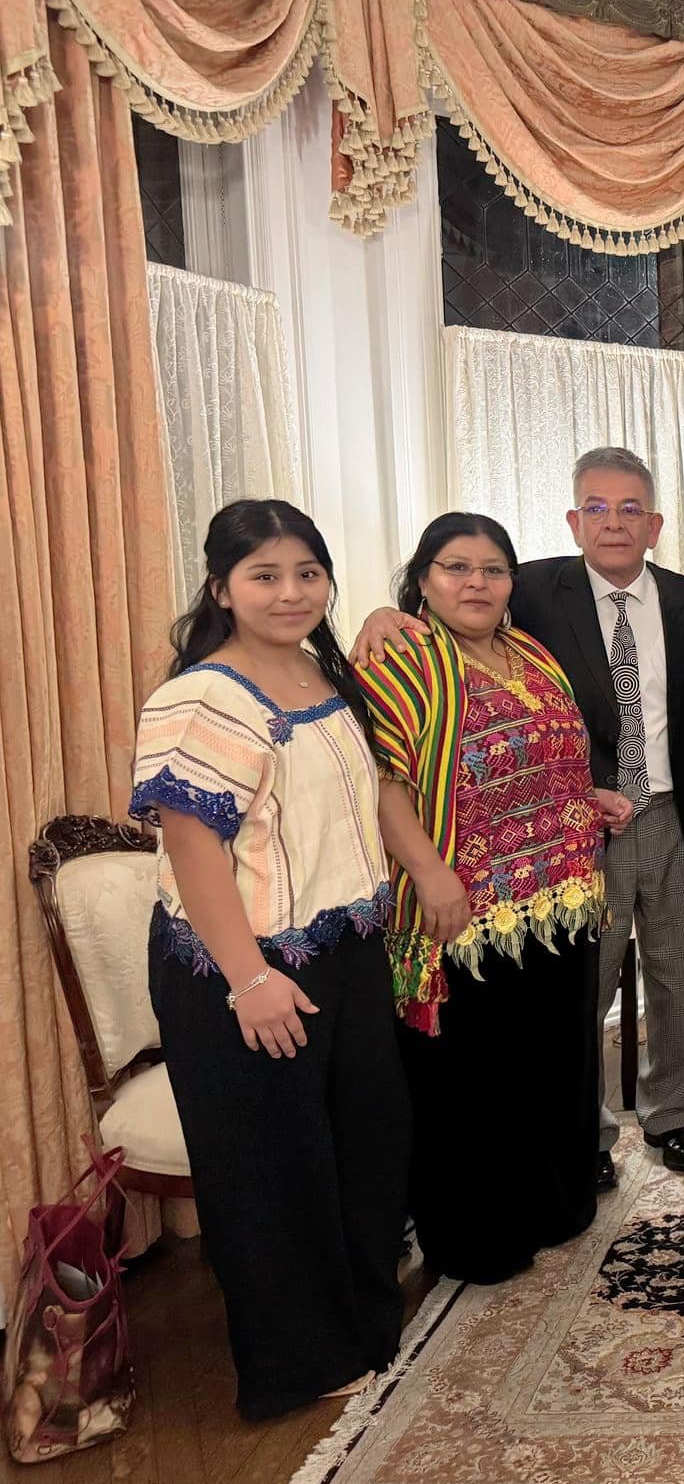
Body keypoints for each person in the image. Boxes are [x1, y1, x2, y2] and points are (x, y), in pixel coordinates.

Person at [350, 449, 684, 1192]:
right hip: (578, 830)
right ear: (574, 520)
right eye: (598, 508)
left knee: (681, 975)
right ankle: (587, 1134)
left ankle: (672, 1117)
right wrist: (384, 611)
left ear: (655, 524)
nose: (614, 523)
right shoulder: (536, 588)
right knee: (587, 982)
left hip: (673, 813)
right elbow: (445, 596)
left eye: (630, 510)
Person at [130, 499, 408, 1419]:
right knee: (273, 1173)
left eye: (307, 574)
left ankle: (362, 1324)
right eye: (265, 576)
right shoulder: (200, 696)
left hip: (344, 949)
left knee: (363, 1148)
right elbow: (192, 847)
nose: (290, 593)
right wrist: (249, 978)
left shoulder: (314, 668)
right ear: (221, 588)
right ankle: (298, 1360)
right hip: (242, 966)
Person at [356, 514, 633, 1283]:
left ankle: (557, 1204)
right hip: (465, 912)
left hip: (559, 903)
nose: (476, 582)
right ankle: (483, 1238)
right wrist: (431, 874)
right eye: (456, 567)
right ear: (422, 579)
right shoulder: (400, 658)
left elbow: (550, 752)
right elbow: (382, 782)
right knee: (478, 1083)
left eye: (493, 569)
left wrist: (591, 795)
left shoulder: (530, 652)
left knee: (551, 1062)